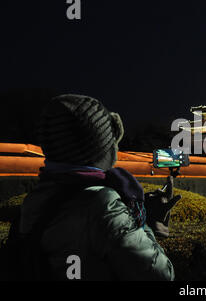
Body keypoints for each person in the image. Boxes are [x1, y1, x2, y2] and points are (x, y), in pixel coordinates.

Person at [18, 94, 180, 280]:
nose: (116, 150)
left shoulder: (36, 198)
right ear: (99, 148)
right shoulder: (101, 204)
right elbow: (161, 274)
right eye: (112, 142)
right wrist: (145, 225)